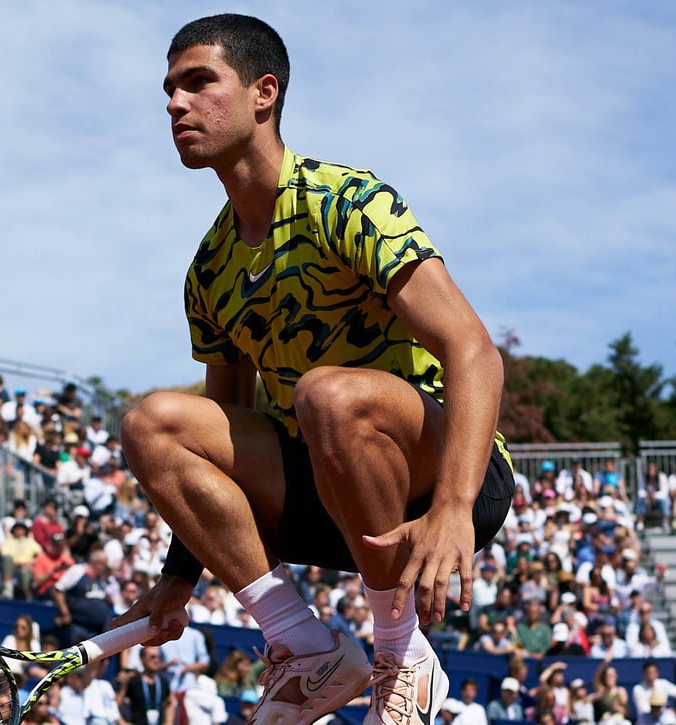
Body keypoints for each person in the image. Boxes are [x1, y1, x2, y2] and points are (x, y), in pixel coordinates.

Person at [116, 13, 514, 725]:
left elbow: (473, 350)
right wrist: (178, 576)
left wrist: (454, 505)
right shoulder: (209, 269)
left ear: (263, 93)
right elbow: (225, 433)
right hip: (323, 492)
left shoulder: (347, 200)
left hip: (447, 477)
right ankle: (304, 647)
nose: (175, 104)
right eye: (169, 90)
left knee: (327, 395)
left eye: (198, 82)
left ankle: (402, 654)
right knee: (153, 424)